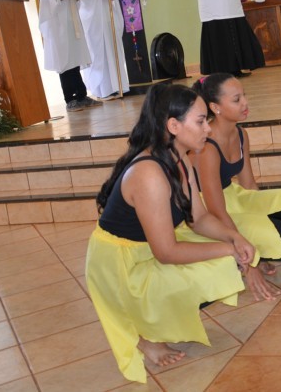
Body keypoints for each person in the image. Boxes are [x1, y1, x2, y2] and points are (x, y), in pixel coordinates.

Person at [85, 84, 254, 383]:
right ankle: (144, 333)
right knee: (224, 262)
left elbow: (199, 218)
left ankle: (154, 318)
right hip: (120, 266)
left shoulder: (180, 157)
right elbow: (167, 252)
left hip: (145, 251)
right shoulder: (149, 173)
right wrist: (228, 250)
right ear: (173, 126)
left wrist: (233, 237)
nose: (208, 129)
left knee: (227, 259)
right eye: (201, 121)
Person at [191, 73, 281, 298]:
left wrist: (261, 216)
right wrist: (251, 264)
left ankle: (263, 244)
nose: (245, 103)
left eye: (244, 96)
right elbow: (216, 211)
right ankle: (245, 253)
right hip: (213, 211)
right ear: (215, 107)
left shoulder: (241, 133)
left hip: (236, 197)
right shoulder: (207, 148)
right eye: (237, 99)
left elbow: (248, 184)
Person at [38, 0, 101, 112]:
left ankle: (81, 95)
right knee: (64, 60)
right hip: (58, 24)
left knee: (73, 57)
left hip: (69, 20)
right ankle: (70, 99)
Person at [73, 0, 130, 99]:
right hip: (92, 23)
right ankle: (101, 90)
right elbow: (76, 1)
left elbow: (114, 0)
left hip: (106, 19)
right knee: (97, 53)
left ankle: (117, 86)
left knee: (112, 51)